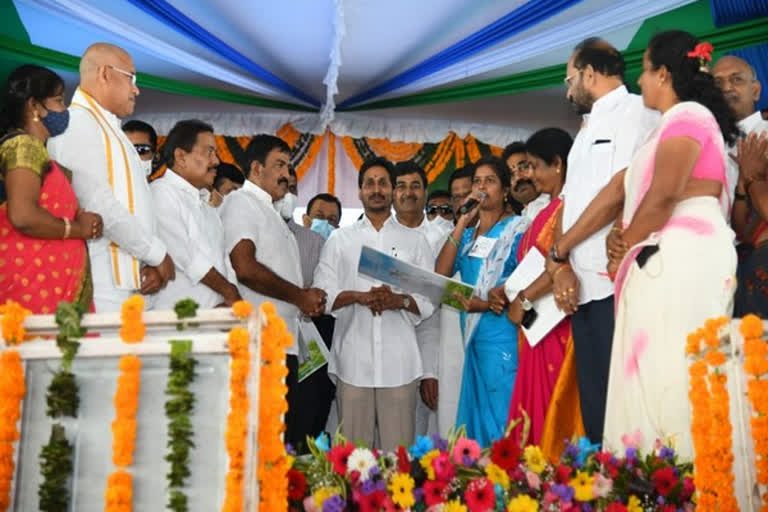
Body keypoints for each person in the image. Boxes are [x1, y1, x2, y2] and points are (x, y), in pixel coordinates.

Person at [553, 31, 740, 458]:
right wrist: (599, 245)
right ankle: (648, 485)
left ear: (664, 73)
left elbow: (665, 193)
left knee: (673, 381)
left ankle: (679, 482)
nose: (639, 80)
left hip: (677, 261)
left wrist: (625, 244)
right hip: (646, 264)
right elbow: (627, 190)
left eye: (645, 69)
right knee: (642, 387)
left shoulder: (682, 116)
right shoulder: (659, 128)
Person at [545, 37, 659, 446]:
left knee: (624, 409)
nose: (567, 88)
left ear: (589, 74)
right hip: (581, 287)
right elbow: (569, 203)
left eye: (569, 78)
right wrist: (559, 266)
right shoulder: (586, 127)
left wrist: (562, 249)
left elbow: (619, 190)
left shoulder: (635, 112)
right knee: (596, 409)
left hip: (615, 280)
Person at [312, 157, 434, 450]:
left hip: (400, 364)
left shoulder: (415, 241)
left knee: (398, 462)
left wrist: (398, 300)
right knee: (354, 462)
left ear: (392, 190)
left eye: (383, 183)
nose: (376, 189)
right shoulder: (340, 240)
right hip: (353, 363)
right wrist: (359, 296)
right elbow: (322, 292)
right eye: (370, 183)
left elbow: (429, 301)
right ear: (359, 191)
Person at [48, 43, 175, 312]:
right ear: (105, 73)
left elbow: (134, 208)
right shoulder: (77, 123)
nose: (136, 89)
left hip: (127, 284)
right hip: (101, 285)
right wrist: (155, 253)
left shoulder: (109, 127)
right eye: (132, 78)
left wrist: (148, 262)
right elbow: (97, 204)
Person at [220, 134, 326, 448]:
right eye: (279, 165)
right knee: (259, 442)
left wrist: (305, 296)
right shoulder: (241, 202)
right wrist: (299, 297)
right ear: (256, 168)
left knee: (277, 442)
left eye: (289, 167)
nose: (287, 174)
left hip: (283, 344)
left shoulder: (272, 213)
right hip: (259, 345)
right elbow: (244, 266)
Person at [494, 128, 584, 459]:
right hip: (534, 331)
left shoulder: (571, 207)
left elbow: (560, 261)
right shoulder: (546, 210)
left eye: (533, 165)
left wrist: (524, 299)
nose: (529, 174)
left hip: (556, 326)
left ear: (557, 164)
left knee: (553, 408)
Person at [435, 157, 529, 447]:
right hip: (473, 341)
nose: (482, 187)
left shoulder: (518, 228)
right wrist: (462, 221)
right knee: (475, 427)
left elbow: (526, 279)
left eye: (490, 181)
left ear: (504, 190)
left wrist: (488, 304)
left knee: (503, 422)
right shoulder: (468, 238)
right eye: (477, 181)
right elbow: (441, 274)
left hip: (503, 337)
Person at [0, 64, 103, 313]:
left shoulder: (43, 156)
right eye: (58, 101)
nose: (64, 110)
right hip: (33, 290)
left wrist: (82, 217)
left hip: (50, 288)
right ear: (34, 106)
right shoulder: (24, 146)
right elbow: (24, 216)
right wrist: (78, 229)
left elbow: (51, 208)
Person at [150, 120, 240, 309]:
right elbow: (187, 256)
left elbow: (224, 259)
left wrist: (229, 301)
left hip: (213, 322)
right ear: (181, 157)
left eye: (216, 153)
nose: (216, 161)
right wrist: (229, 292)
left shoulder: (206, 205)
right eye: (209, 152)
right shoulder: (161, 193)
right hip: (177, 325)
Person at [277, 165, 336, 449]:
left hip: (307, 348)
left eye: (293, 187)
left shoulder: (314, 241)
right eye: (282, 184)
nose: (287, 192)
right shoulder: (249, 231)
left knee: (303, 425)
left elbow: (323, 293)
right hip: (266, 341)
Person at [391, 161, 446, 438]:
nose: (408, 193)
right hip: (383, 351)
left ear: (425, 193)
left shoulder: (441, 237)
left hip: (425, 347)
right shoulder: (376, 234)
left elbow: (436, 309)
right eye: (400, 186)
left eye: (415, 186)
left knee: (421, 439)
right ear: (392, 193)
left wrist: (429, 369)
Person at [712, 56, 768, 317]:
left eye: (736, 80)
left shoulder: (765, 134)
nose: (726, 88)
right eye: (718, 83)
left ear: (755, 90)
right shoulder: (705, 145)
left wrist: (752, 178)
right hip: (723, 272)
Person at [503, 141, 549, 221]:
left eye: (524, 167)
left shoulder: (557, 202)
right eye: (511, 174)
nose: (518, 178)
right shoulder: (516, 223)